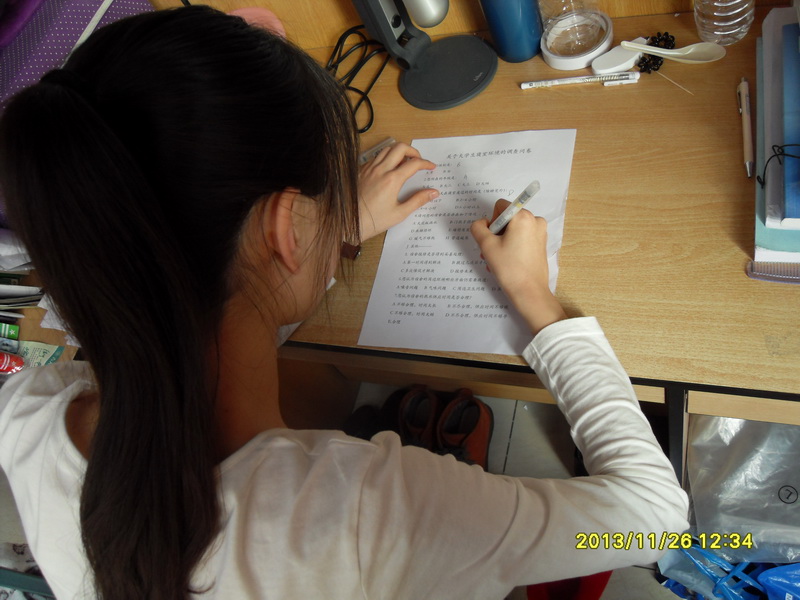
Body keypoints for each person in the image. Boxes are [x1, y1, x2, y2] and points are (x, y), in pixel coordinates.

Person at [0, 5, 688, 600]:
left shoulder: (26, 413)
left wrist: (326, 234)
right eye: (324, 200)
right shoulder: (362, 510)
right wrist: (535, 297)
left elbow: (198, 311)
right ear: (282, 229)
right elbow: (657, 519)